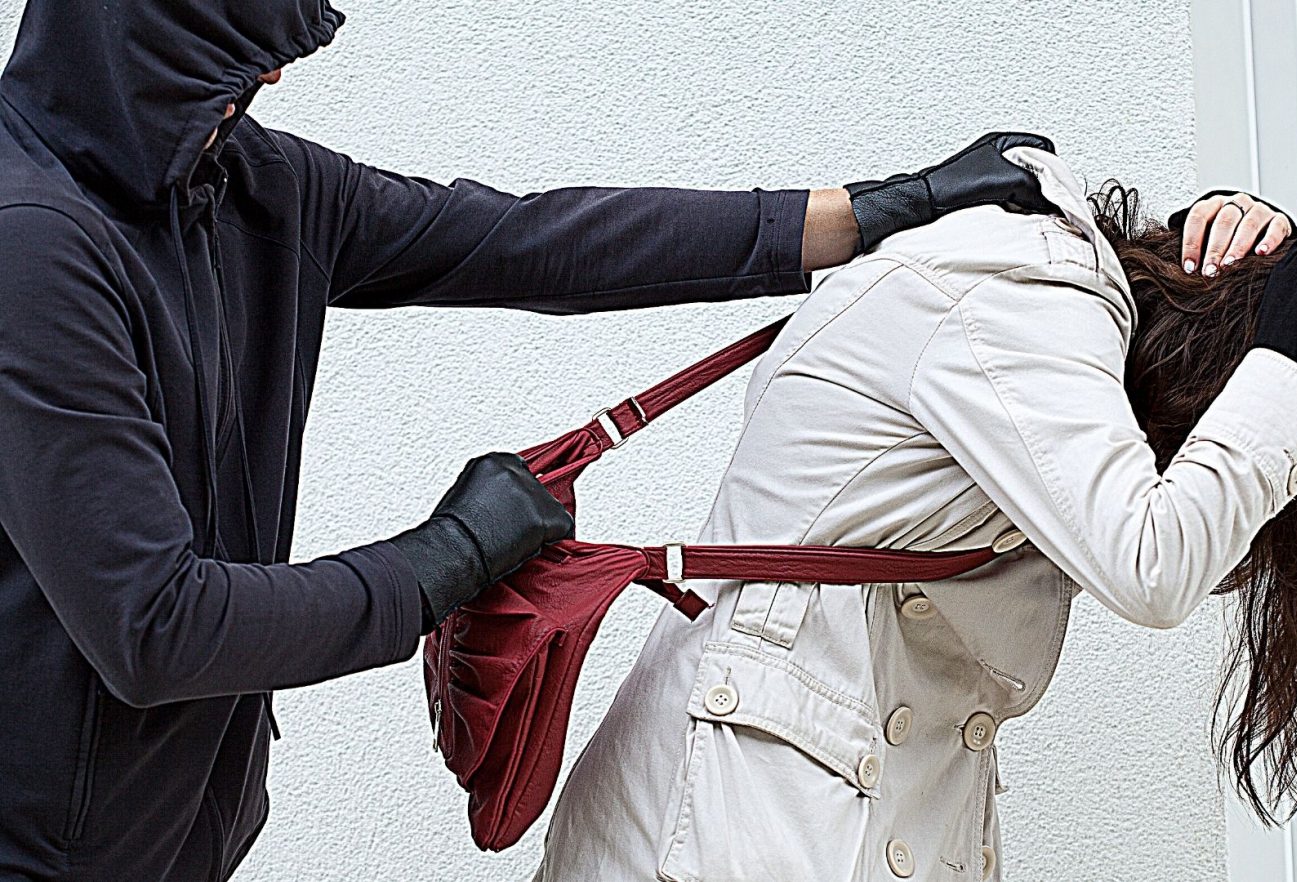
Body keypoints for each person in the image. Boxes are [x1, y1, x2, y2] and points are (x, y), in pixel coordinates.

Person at [0, 2, 1088, 879]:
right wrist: (447, 559)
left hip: (184, 832)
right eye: (239, 55)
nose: (276, 78)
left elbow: (530, 240)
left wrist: (876, 210)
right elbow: (156, 628)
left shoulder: (246, 188)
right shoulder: (32, 251)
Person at [534, 147, 1297, 881]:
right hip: (737, 821)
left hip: (800, 811)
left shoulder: (1055, 333)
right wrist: (1294, 356)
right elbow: (1154, 566)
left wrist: (1278, 299)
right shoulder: (1036, 288)